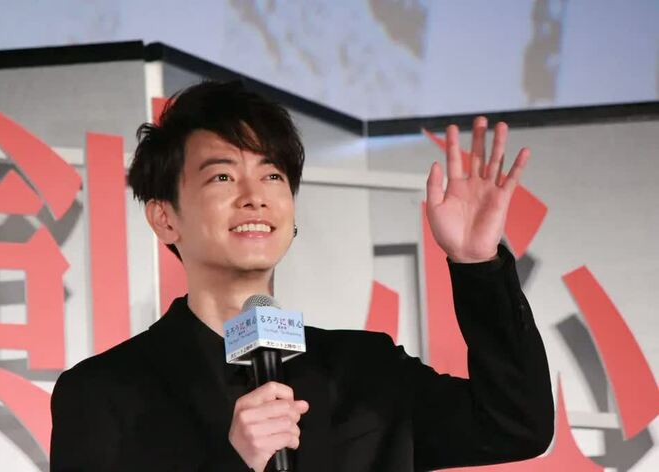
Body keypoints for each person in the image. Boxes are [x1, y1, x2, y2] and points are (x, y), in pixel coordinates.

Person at [50, 80, 554, 472]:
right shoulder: (102, 393)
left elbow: (515, 426)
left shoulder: (366, 370)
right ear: (165, 218)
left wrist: (477, 264)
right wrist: (235, 463)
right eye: (222, 176)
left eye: (273, 175)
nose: (255, 196)